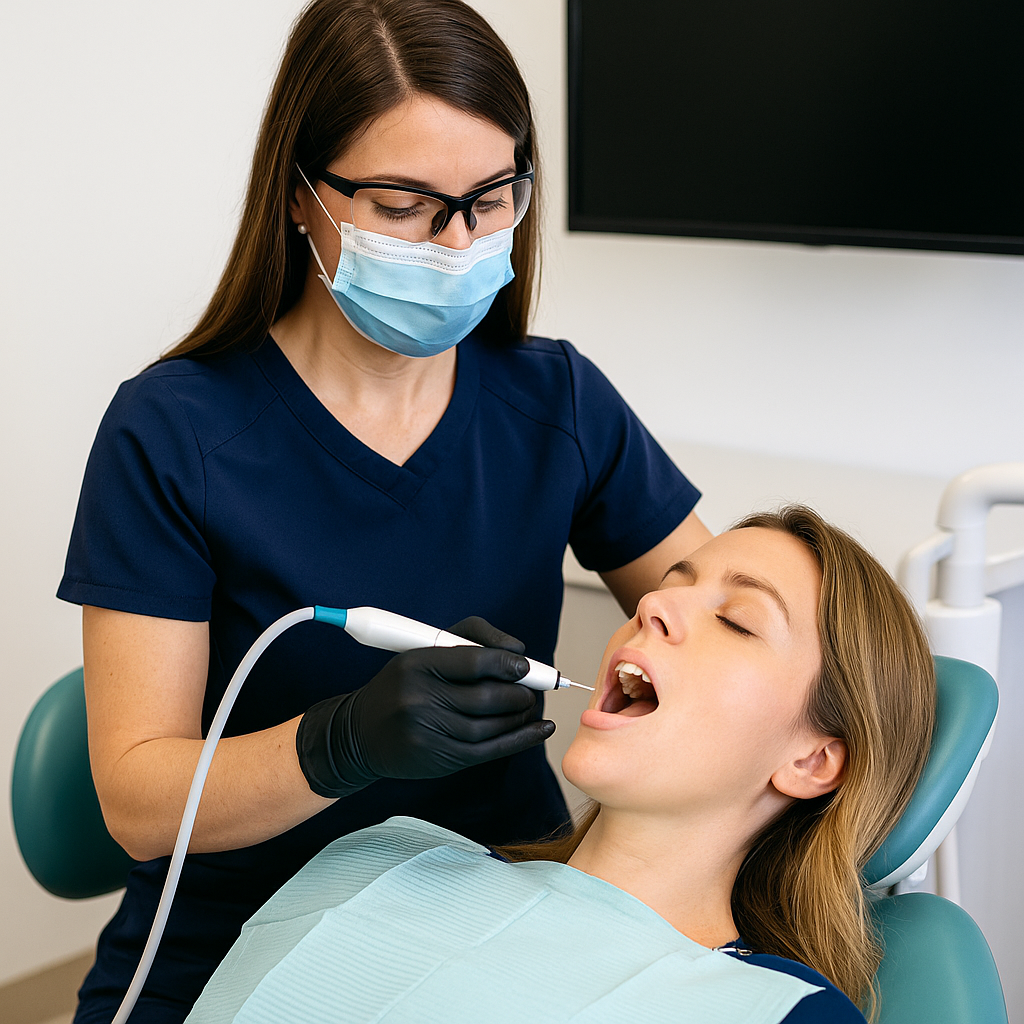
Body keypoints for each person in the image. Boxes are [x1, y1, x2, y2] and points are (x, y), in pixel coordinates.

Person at [56, 2, 711, 1021]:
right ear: (299, 197)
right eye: (403, 205)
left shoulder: (557, 401)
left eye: (491, 197)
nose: (456, 243)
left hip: (498, 900)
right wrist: (340, 742)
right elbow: (138, 804)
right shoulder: (175, 428)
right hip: (236, 936)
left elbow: (710, 623)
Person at [182, 506, 936, 1024]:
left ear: (812, 759)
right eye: (668, 589)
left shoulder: (779, 1012)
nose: (650, 610)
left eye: (737, 621)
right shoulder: (386, 856)